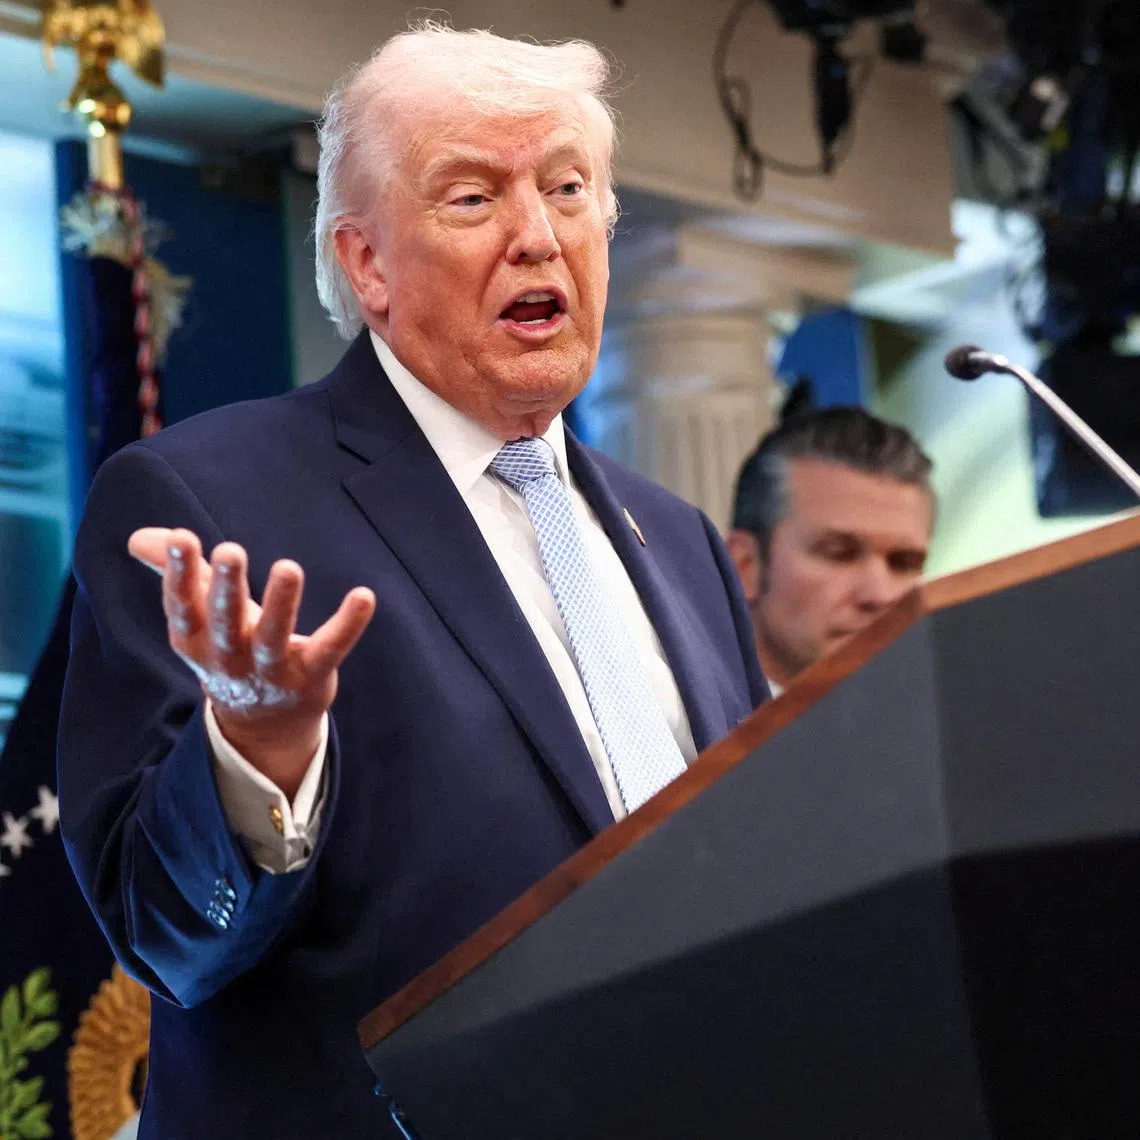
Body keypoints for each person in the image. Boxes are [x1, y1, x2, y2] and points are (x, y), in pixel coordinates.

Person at [58, 24, 768, 1139]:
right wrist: (256, 754)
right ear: (367, 264)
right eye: (474, 199)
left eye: (569, 189)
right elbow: (163, 934)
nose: (539, 236)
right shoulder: (206, 499)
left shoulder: (677, 539)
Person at [726, 406, 935, 694]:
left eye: (903, 562)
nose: (879, 595)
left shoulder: (959, 726)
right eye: (839, 554)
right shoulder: (677, 730)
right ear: (744, 565)